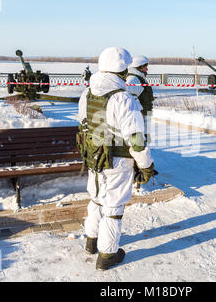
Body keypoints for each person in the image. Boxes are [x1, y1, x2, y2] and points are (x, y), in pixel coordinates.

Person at [76, 47, 155, 270]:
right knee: (113, 207)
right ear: (121, 71)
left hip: (94, 158)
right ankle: (107, 255)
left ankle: (91, 242)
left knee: (96, 199)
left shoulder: (88, 93)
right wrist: (146, 165)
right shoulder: (123, 99)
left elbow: (83, 125)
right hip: (117, 161)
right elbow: (137, 141)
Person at [126, 55, 154, 143]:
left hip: (144, 112)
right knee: (139, 138)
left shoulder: (139, 77)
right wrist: (138, 113)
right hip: (140, 113)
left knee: (144, 136)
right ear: (140, 67)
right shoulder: (133, 79)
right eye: (145, 66)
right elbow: (129, 97)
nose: (147, 69)